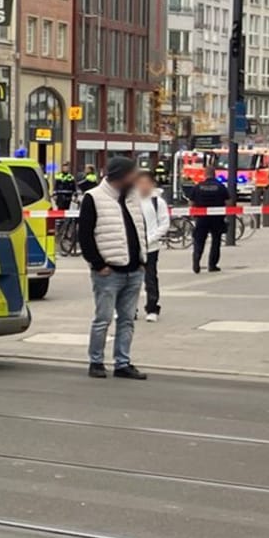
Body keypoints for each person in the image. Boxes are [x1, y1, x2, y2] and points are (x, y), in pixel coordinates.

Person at [78, 157, 150, 380]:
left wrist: (142, 260)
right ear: (119, 176)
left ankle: (122, 363)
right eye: (132, 174)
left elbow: (140, 228)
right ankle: (96, 362)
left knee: (127, 319)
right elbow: (85, 235)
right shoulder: (94, 198)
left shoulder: (132, 198)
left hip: (133, 270)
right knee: (103, 318)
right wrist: (98, 264)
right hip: (109, 272)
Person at [136, 171, 171, 322]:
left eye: (146, 183)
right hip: (133, 247)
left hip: (151, 247)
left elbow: (164, 224)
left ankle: (152, 308)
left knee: (150, 278)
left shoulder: (158, 202)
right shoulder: (130, 200)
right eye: (140, 183)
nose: (143, 186)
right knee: (130, 280)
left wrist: (151, 239)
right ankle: (129, 309)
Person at [187, 165, 232, 272]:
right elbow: (228, 202)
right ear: (214, 174)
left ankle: (196, 262)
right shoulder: (220, 187)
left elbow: (191, 203)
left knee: (199, 241)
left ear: (205, 174)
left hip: (202, 219)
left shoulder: (198, 187)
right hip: (217, 219)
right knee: (216, 242)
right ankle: (212, 265)